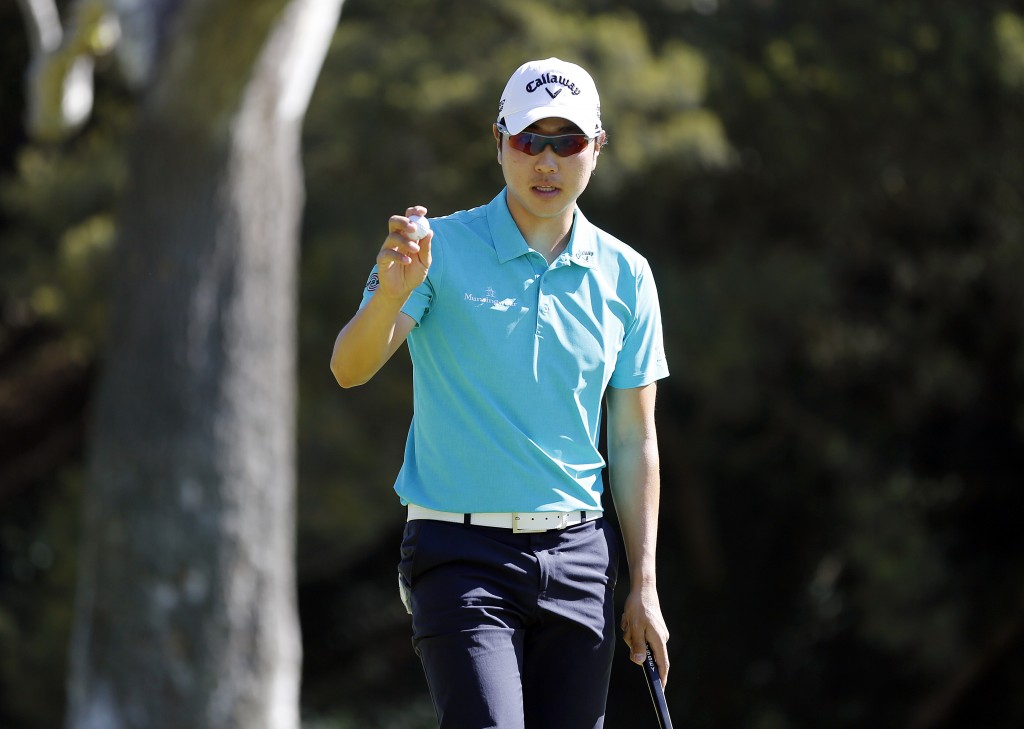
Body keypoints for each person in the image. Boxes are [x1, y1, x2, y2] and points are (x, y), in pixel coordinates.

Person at [330, 57, 670, 729]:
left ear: (597, 147)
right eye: (528, 140)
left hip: (579, 557)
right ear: (499, 142)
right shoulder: (437, 250)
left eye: (566, 141)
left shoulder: (627, 276)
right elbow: (350, 367)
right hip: (460, 556)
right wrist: (391, 295)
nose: (546, 161)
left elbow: (633, 439)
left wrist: (645, 584)